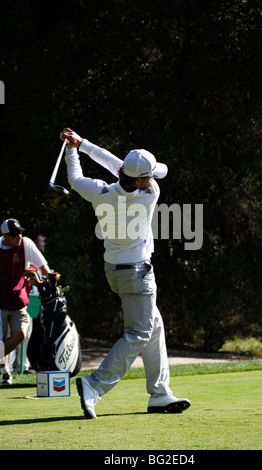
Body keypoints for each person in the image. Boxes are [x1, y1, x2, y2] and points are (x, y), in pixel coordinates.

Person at [61, 127, 191, 419]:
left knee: (154, 328)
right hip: (138, 276)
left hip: (114, 272)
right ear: (142, 180)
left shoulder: (100, 192)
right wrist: (83, 144)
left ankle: (159, 393)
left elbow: (77, 177)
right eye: (150, 174)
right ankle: (94, 385)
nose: (154, 178)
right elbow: (116, 164)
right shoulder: (150, 194)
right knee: (139, 333)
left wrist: (75, 148)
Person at [0, 219, 49, 384]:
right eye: (15, 234)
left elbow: (44, 268)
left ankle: (11, 366)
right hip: (0, 302)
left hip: (20, 301)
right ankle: (5, 371)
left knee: (20, 335)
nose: (19, 236)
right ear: (5, 236)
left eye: (20, 232)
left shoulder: (26, 243)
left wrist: (49, 285)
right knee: (1, 340)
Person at [7, 232, 47, 375]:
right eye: (42, 241)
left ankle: (23, 365)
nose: (44, 244)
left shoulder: (37, 262)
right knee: (11, 335)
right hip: (20, 301)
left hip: (32, 303)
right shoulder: (26, 261)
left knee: (26, 334)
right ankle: (9, 367)